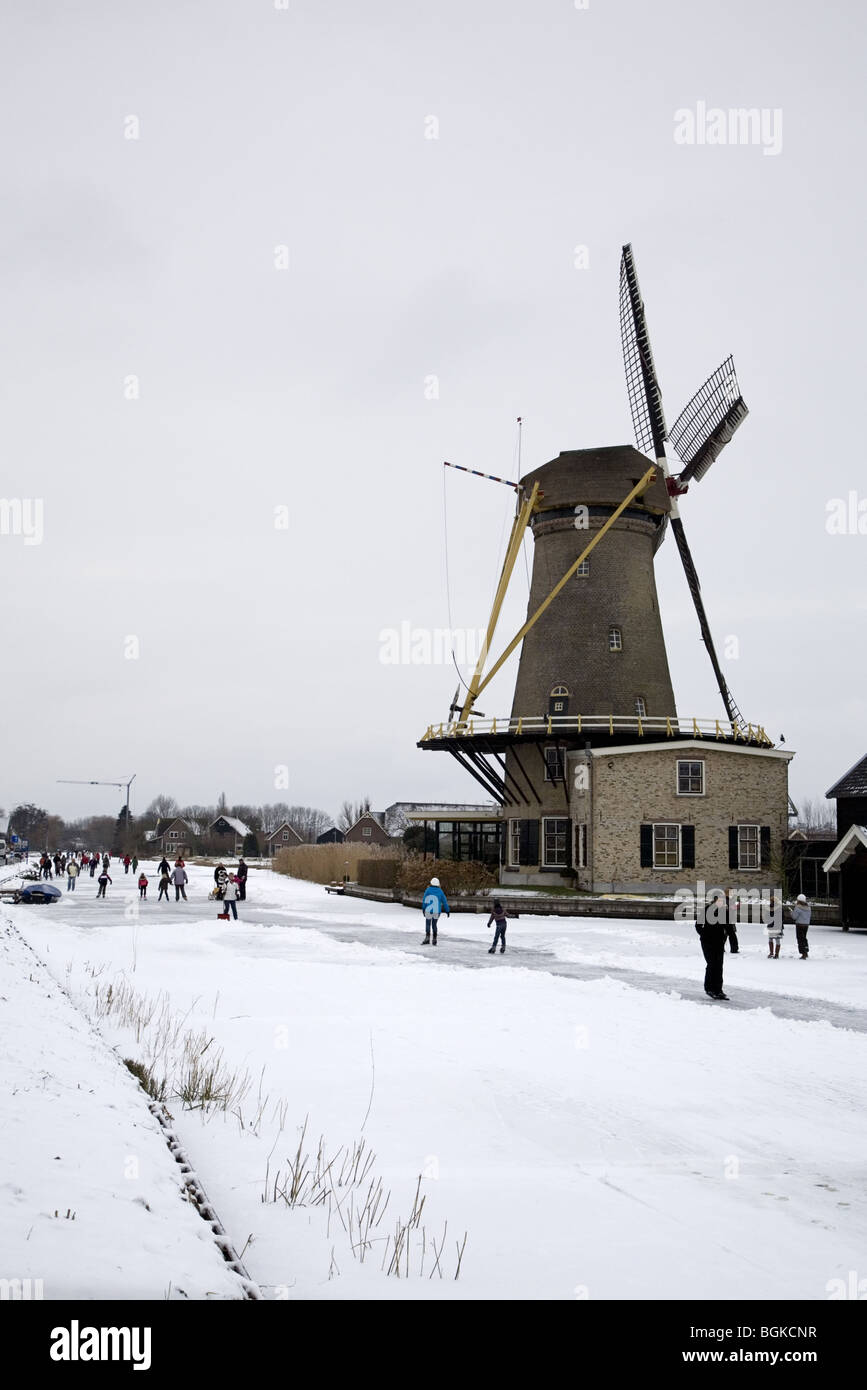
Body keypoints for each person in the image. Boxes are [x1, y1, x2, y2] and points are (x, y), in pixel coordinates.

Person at [695, 894, 729, 1000]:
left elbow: (728, 926)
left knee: (719, 965)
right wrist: (704, 935)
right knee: (712, 964)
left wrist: (725, 938)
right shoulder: (706, 910)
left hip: (719, 942)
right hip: (707, 942)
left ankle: (718, 990)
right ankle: (709, 988)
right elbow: (698, 925)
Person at [421, 877, 450, 945]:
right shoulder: (440, 891)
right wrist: (447, 910)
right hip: (437, 911)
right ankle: (434, 939)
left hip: (428, 910)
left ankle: (427, 938)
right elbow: (444, 902)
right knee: (434, 925)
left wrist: (423, 909)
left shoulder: (428, 890)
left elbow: (424, 901)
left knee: (428, 924)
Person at [793, 893, 811, 959]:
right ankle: (806, 951)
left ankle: (803, 954)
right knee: (804, 938)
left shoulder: (797, 907)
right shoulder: (808, 907)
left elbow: (794, 917)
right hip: (806, 925)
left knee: (800, 939)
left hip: (799, 925)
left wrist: (791, 912)